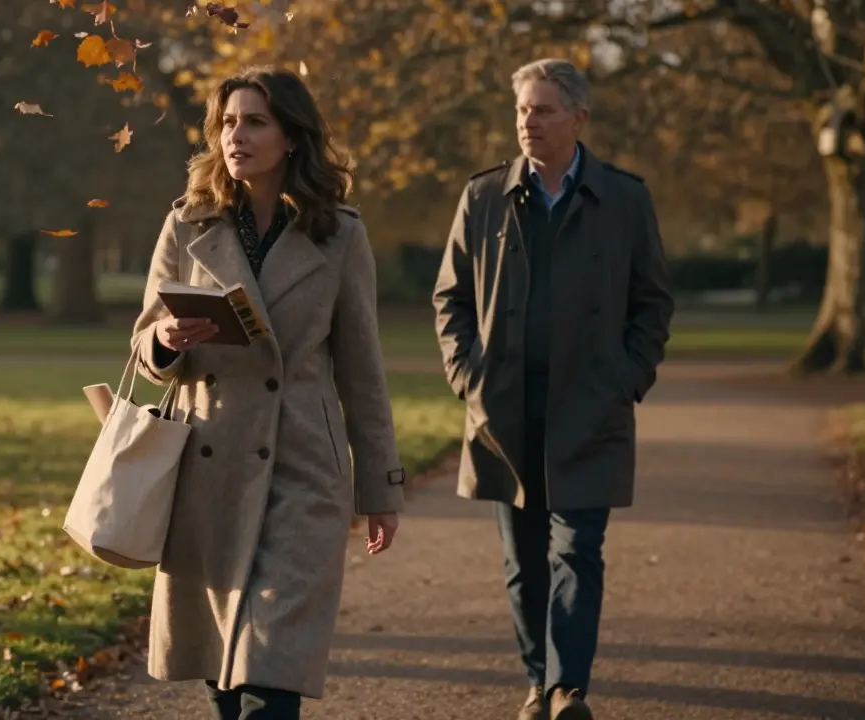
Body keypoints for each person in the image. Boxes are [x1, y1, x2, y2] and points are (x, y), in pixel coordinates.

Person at [129, 65, 407, 720]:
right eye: (227, 122)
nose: (236, 135)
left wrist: (380, 491)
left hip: (302, 472)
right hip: (207, 468)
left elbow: (363, 373)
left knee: (272, 675)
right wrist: (169, 337)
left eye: (255, 121)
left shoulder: (340, 234)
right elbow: (144, 347)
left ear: (291, 136)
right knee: (224, 675)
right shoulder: (187, 225)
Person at [432, 58, 674, 720]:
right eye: (520, 111)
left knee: (578, 553)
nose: (527, 122)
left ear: (578, 117)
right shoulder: (483, 197)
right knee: (523, 565)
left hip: (590, 409)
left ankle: (570, 689)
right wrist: (466, 374)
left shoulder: (625, 199)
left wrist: (627, 378)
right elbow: (450, 298)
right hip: (504, 414)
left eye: (541, 110)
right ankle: (538, 681)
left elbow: (652, 302)